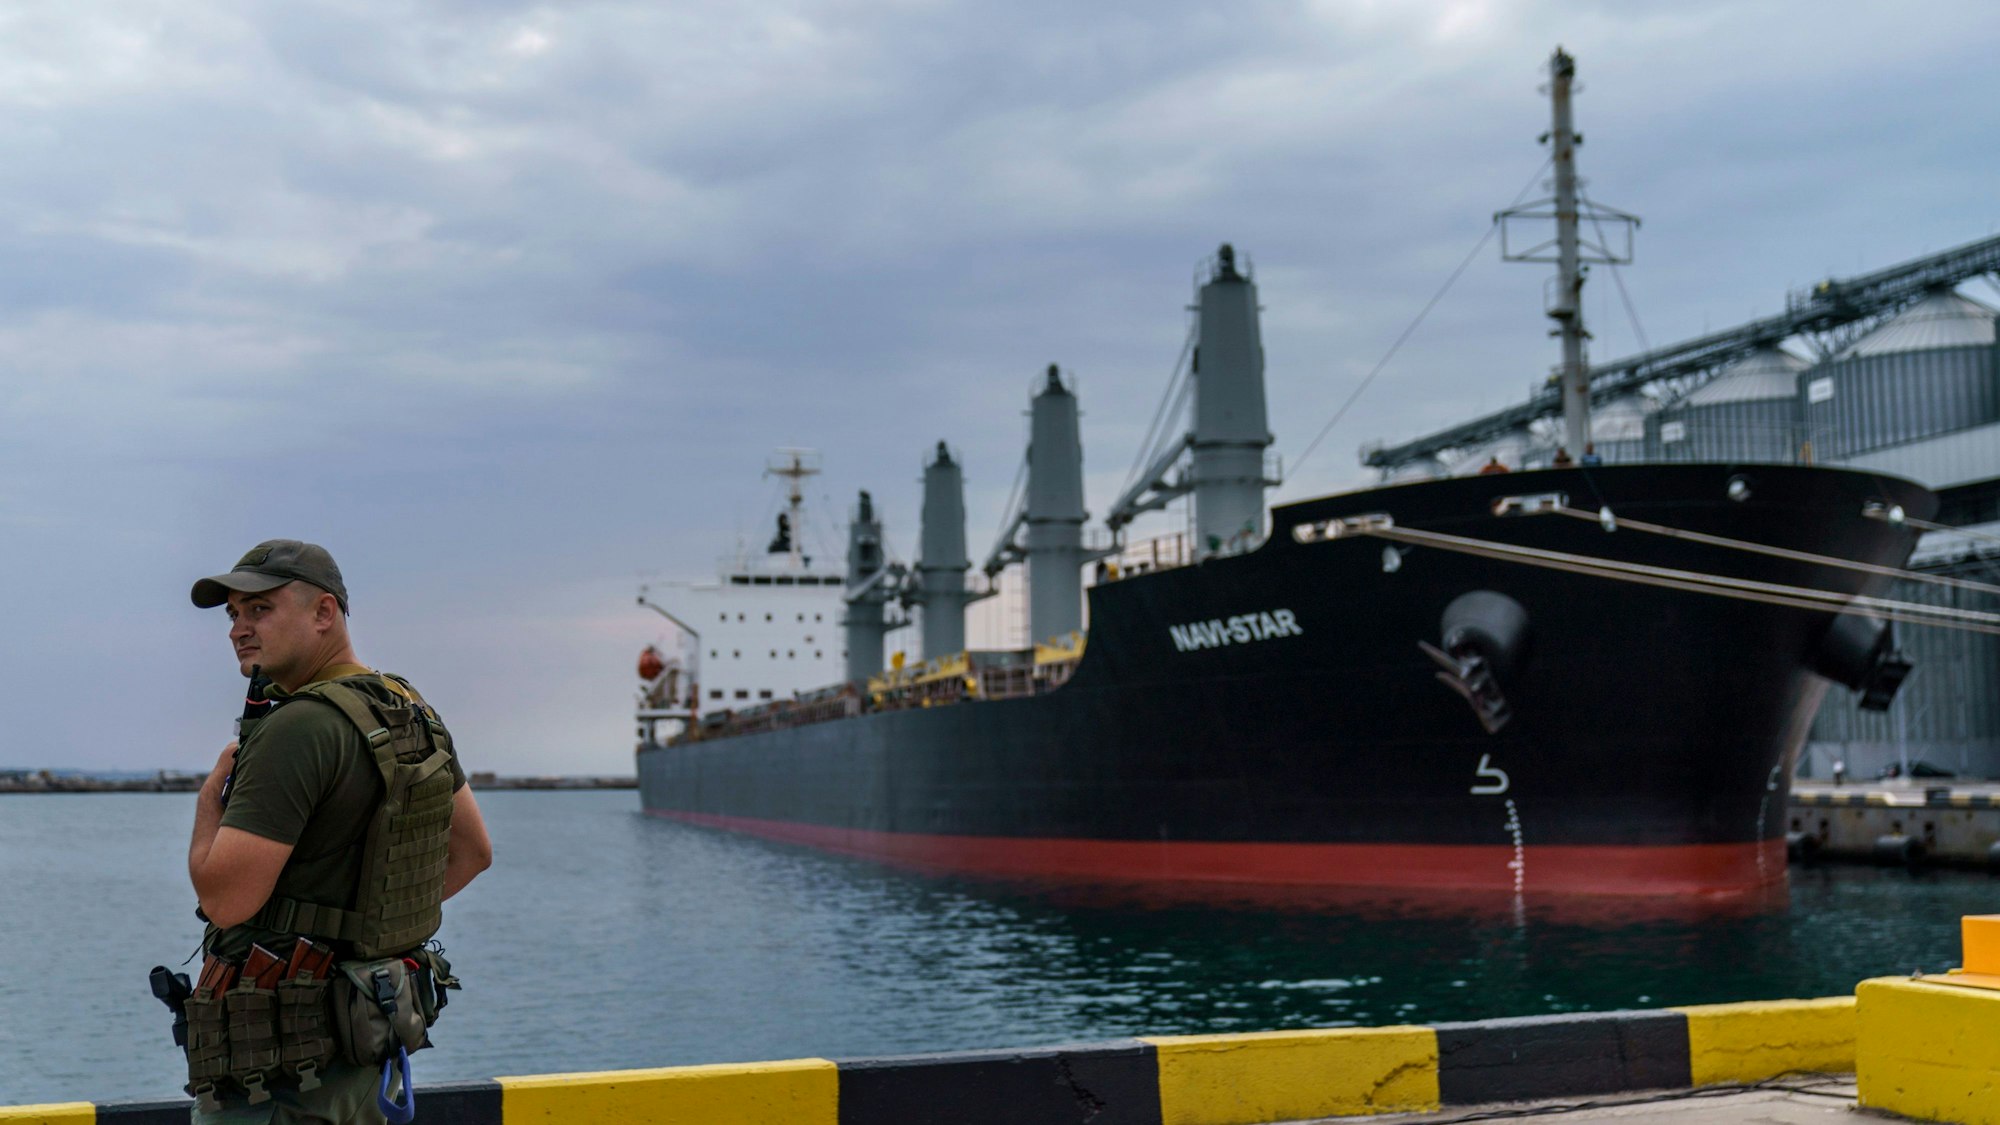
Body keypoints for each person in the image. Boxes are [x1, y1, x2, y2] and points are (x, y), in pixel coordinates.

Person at [184, 540, 493, 1123]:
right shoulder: (406, 708)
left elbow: (225, 901)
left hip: (279, 1081)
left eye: (260, 609)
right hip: (366, 1058)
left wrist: (208, 804)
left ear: (324, 613)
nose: (238, 629)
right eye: (233, 614)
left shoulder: (296, 728)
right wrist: (364, 931)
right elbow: (472, 853)